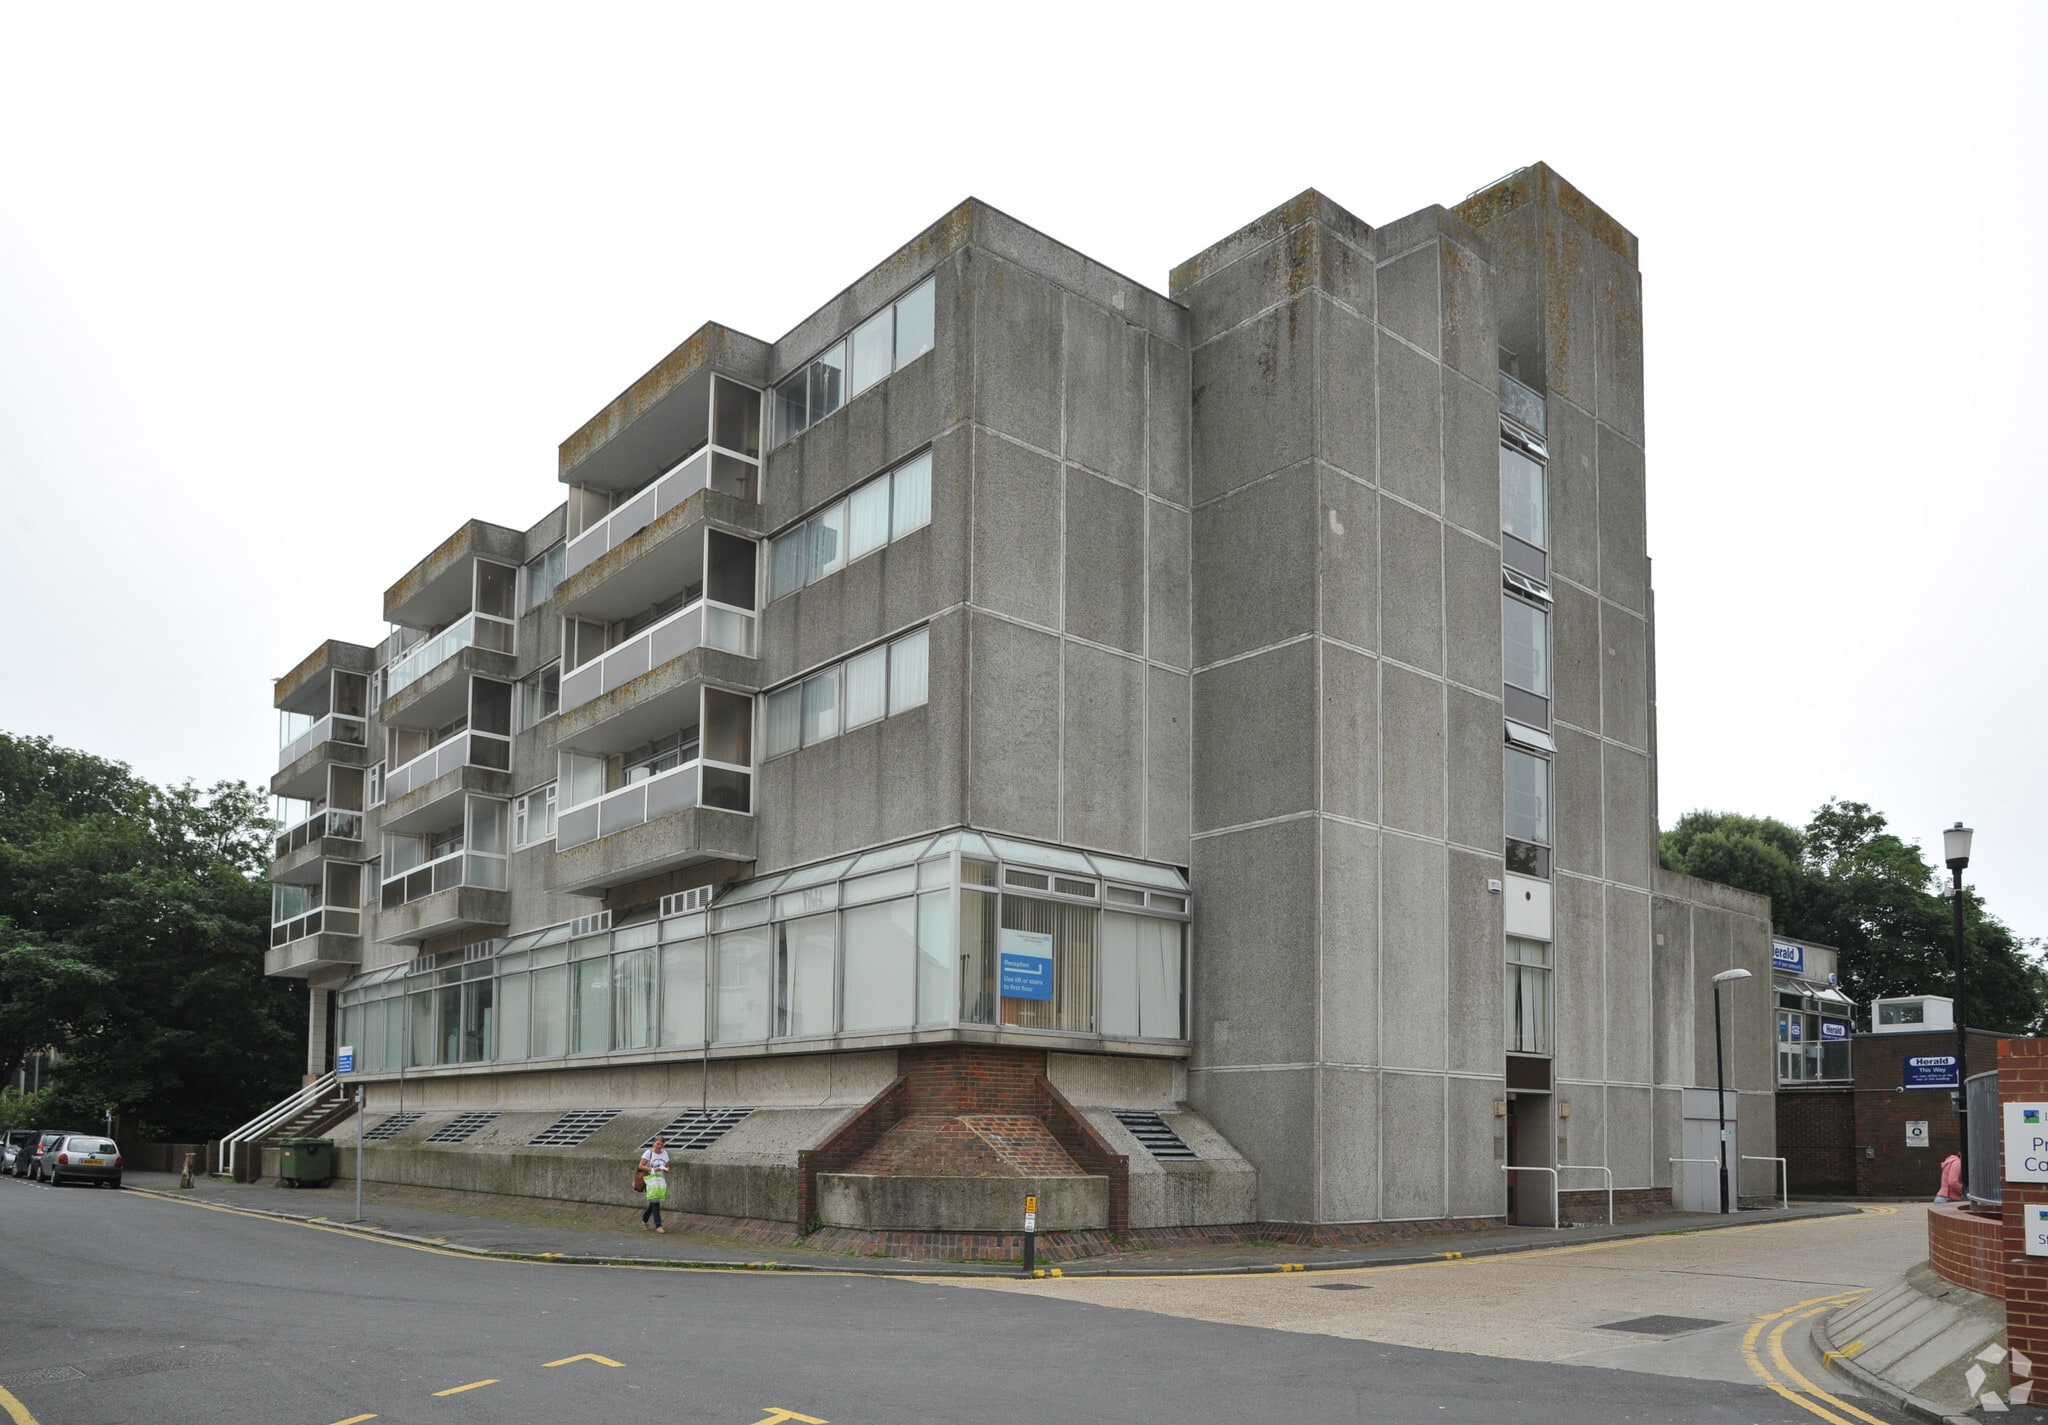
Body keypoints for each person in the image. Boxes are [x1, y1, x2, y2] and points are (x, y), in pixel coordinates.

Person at [638, 1136, 670, 1233]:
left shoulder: (665, 1153)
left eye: (661, 1144)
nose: (659, 1146)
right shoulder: (649, 1153)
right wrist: (652, 1169)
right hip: (651, 1180)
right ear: (654, 1143)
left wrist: (664, 1169)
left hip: (660, 1180)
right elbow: (641, 1166)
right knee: (655, 1202)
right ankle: (658, 1225)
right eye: (658, 1144)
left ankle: (644, 1220)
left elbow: (668, 1166)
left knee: (653, 1202)